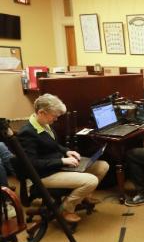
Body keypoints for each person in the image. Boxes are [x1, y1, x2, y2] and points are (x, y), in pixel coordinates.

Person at [18, 93, 109, 223]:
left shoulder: (44, 124)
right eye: (54, 116)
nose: (56, 119)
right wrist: (61, 161)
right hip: (43, 175)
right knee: (91, 181)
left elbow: (54, 145)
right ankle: (66, 209)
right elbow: (31, 163)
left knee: (102, 166)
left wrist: (67, 152)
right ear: (42, 112)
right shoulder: (27, 133)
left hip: (58, 167)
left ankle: (84, 197)